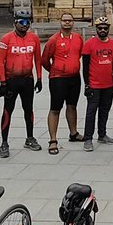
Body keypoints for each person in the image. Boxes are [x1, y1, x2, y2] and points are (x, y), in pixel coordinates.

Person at [0, 10, 43, 158]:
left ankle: (30, 138)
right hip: (11, 80)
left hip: (27, 79)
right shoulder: (6, 39)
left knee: (28, 110)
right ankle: (4, 142)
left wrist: (40, 78)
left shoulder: (34, 38)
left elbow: (37, 59)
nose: (25, 25)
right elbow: (0, 62)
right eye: (21, 22)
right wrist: (3, 82)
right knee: (7, 111)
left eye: (27, 22)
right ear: (15, 22)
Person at [41, 13, 84, 152]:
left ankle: (73, 133)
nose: (67, 23)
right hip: (58, 78)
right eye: (64, 20)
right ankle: (53, 140)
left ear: (73, 22)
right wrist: (56, 70)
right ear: (60, 22)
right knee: (55, 109)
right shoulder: (53, 40)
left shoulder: (78, 38)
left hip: (74, 78)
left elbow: (79, 55)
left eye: (70, 20)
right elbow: (45, 60)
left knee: (72, 106)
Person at [80, 17, 113, 152]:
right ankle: (88, 138)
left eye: (105, 28)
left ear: (108, 29)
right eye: (100, 28)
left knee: (104, 111)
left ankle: (102, 135)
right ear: (96, 29)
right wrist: (87, 84)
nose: (102, 30)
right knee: (91, 112)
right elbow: (85, 67)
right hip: (94, 84)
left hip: (108, 84)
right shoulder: (89, 44)